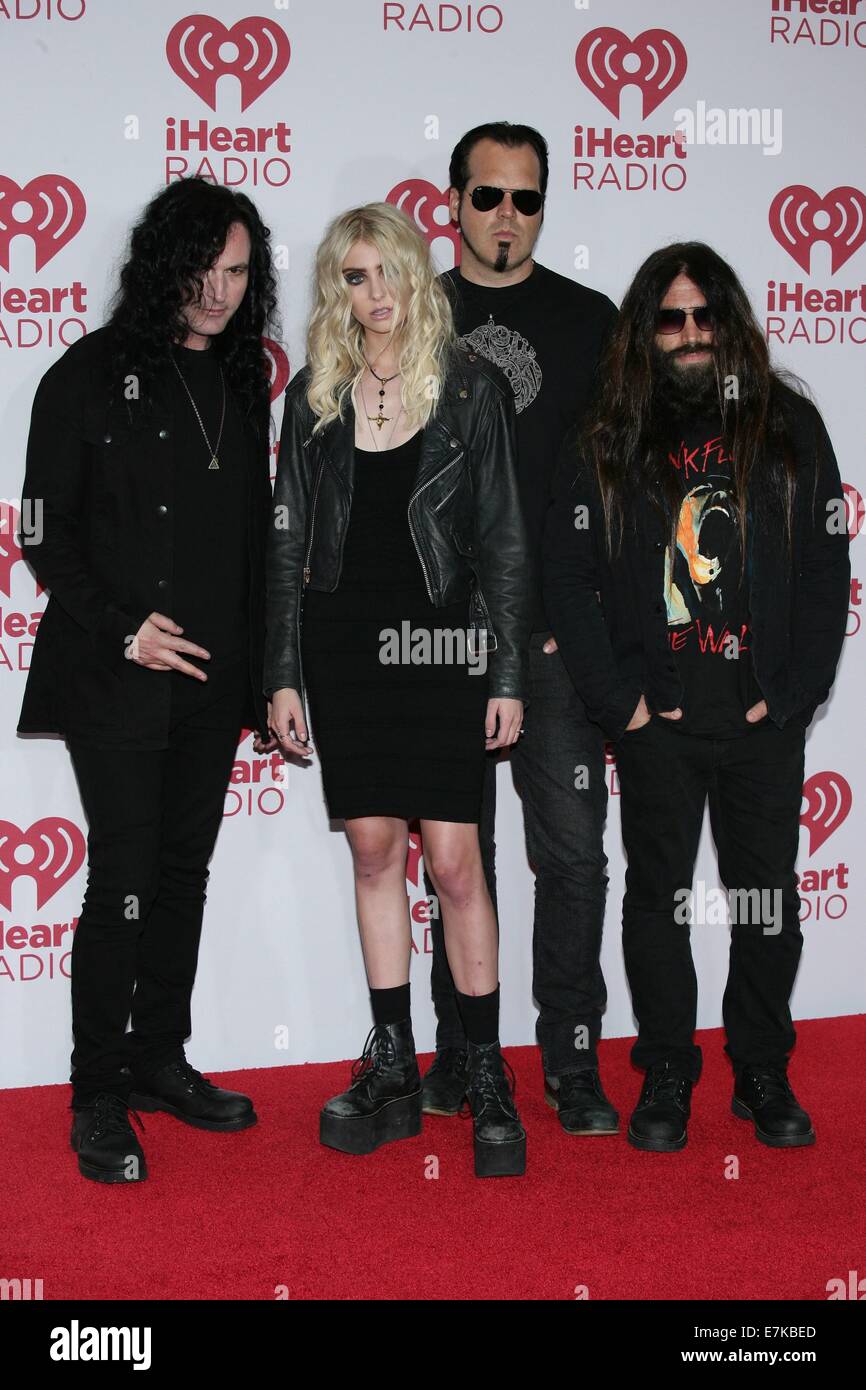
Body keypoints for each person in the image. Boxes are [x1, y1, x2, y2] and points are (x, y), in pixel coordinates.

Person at [543, 242, 850, 1152]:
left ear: (729, 324)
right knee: (659, 901)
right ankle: (668, 1067)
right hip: (659, 722)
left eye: (703, 316)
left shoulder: (786, 425)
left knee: (767, 901)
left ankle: (761, 1070)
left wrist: (793, 693)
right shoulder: (608, 434)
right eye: (669, 318)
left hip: (760, 719)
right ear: (646, 331)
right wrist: (620, 702)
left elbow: (829, 568)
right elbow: (566, 577)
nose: (688, 335)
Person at [18, 176, 278, 1183]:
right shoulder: (86, 375)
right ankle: (95, 1094)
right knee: (123, 880)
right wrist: (126, 630)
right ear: (161, 266)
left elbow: (255, 539)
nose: (218, 292)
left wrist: (268, 675)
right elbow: (44, 530)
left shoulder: (247, 380)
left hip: (214, 677)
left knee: (183, 874)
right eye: (202, 269)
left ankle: (158, 1060)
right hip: (117, 674)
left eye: (238, 272)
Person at [265, 202, 531, 1177]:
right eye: (352, 278)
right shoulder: (311, 396)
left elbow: (502, 541)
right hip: (344, 646)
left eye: (387, 275)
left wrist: (504, 670)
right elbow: (287, 541)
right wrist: (281, 673)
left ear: (416, 277)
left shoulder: (467, 388)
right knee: (374, 849)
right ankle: (390, 1058)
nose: (373, 296)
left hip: (440, 645)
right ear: (336, 290)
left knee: (455, 861)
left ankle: (487, 1067)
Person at [423, 121, 621, 1138]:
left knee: (574, 857)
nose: (507, 216)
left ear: (546, 205)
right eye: (488, 195)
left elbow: (618, 485)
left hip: (549, 639)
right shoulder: (406, 312)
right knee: (458, 860)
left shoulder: (591, 322)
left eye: (526, 198)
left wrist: (580, 621)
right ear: (449, 198)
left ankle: (572, 1058)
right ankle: (462, 1049)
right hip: (438, 641)